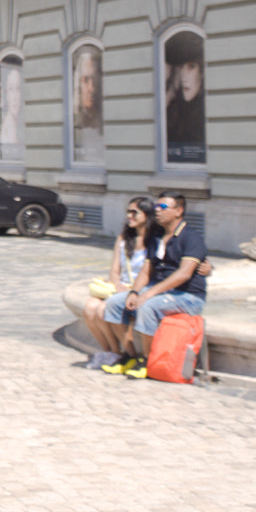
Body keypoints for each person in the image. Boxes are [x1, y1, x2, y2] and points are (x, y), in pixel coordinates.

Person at [100, 192, 208, 378]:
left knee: (148, 307)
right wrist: (135, 292)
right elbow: (146, 269)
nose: (157, 210)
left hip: (188, 296)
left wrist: (148, 294)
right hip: (161, 291)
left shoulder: (191, 237)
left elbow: (184, 274)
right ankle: (130, 355)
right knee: (114, 303)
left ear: (178, 211)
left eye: (163, 207)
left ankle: (148, 361)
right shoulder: (157, 237)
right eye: (157, 206)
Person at [75, 196, 151, 369]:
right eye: (128, 212)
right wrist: (118, 286)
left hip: (139, 291)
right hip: (120, 289)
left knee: (102, 309)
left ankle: (125, 354)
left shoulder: (154, 242)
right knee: (89, 307)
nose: (129, 216)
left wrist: (131, 291)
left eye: (135, 213)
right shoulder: (124, 239)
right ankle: (112, 351)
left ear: (147, 215)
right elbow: (114, 270)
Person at [164, 35, 206, 164]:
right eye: (181, 67)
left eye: (191, 67)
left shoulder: (206, 112)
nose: (184, 76)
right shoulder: (174, 110)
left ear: (202, 72)